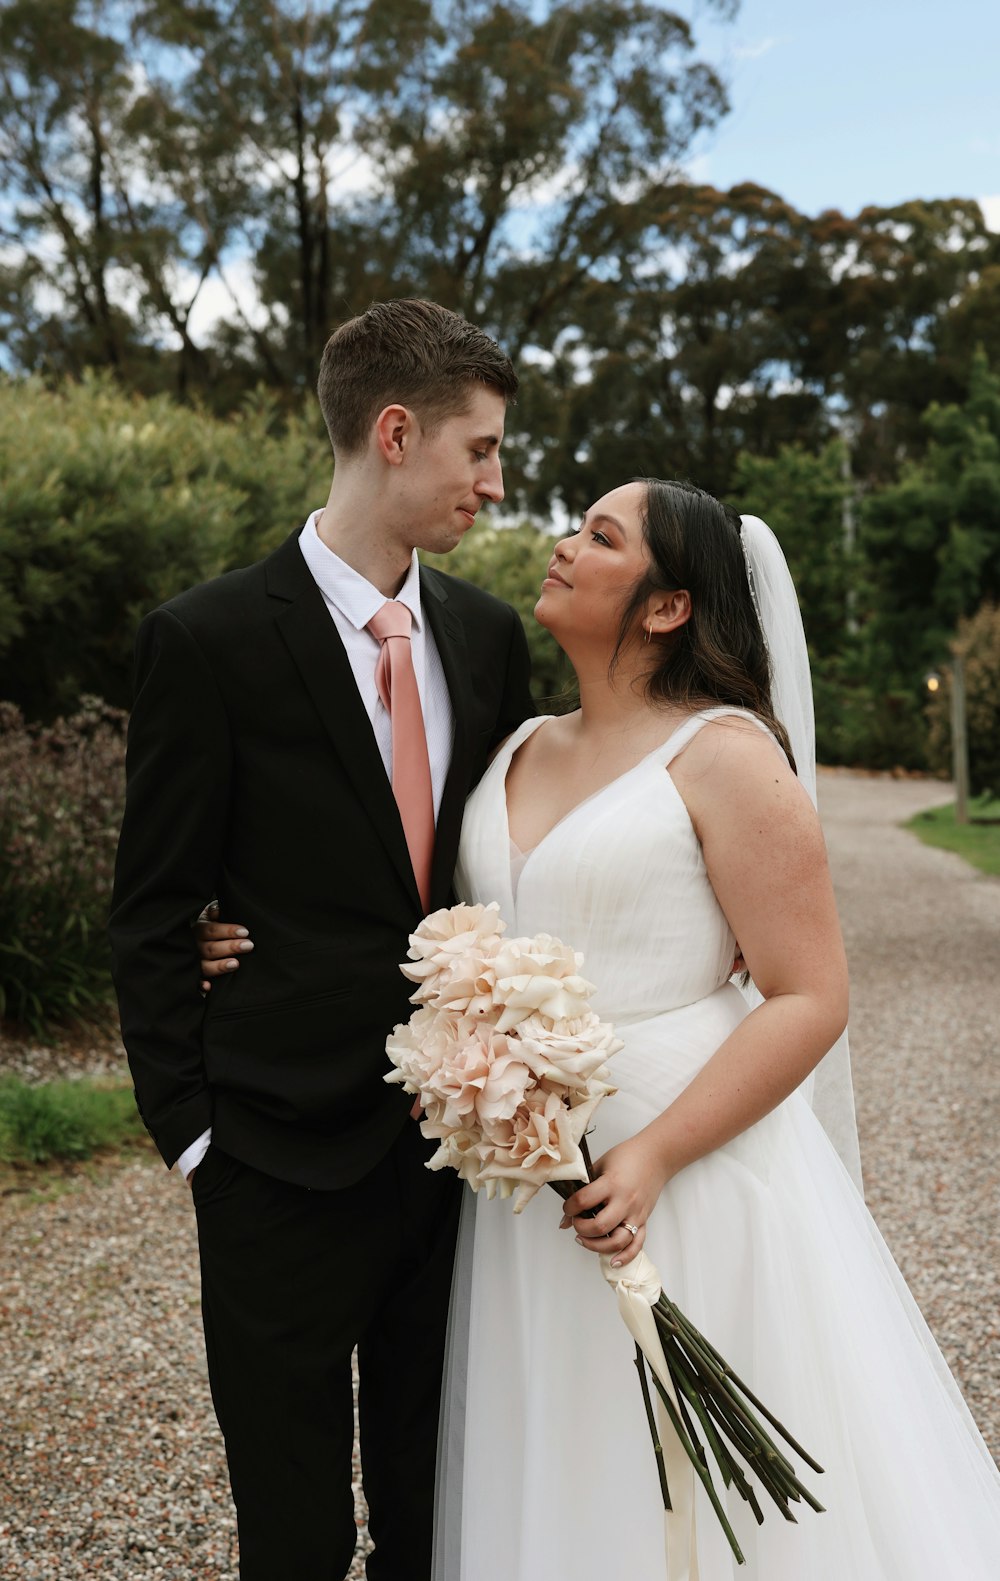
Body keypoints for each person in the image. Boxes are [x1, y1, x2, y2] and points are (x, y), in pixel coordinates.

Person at [207, 476, 1000, 1578]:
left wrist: (653, 1155)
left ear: (668, 606)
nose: (562, 544)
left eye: (600, 535)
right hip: (521, 1190)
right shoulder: (516, 741)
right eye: (575, 524)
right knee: (556, 1453)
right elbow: (388, 877)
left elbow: (812, 993)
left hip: (685, 1174)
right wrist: (221, 927)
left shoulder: (726, 756)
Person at [109, 299, 534, 1581]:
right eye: (481, 450)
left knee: (435, 1488)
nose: (496, 482)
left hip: (455, 1153)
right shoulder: (208, 639)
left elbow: (504, 863)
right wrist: (192, 1132)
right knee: (289, 1518)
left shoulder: (488, 636)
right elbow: (150, 906)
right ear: (395, 432)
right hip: (273, 1157)